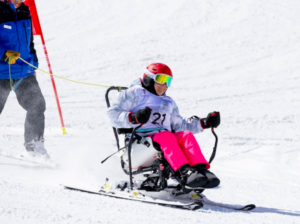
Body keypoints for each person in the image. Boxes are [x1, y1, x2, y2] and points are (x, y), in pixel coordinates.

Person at [107, 63, 221, 190]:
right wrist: (134, 117)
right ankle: (183, 172)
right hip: (137, 146)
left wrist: (204, 123)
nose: (164, 85)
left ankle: (200, 170)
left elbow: (180, 125)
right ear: (149, 78)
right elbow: (113, 115)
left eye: (168, 81)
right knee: (166, 136)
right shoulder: (134, 94)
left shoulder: (168, 101)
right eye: (161, 79)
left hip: (162, 141)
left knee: (185, 136)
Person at [0, 0, 49, 158]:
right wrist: (2, 53)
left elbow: (30, 43)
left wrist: (33, 65)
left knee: (37, 105)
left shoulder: (25, 11)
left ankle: (34, 147)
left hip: (24, 72)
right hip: (2, 72)